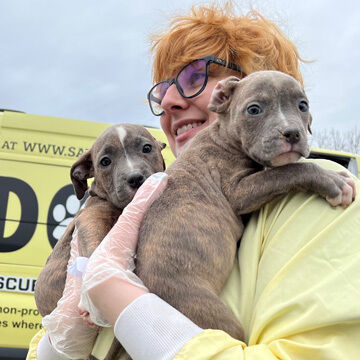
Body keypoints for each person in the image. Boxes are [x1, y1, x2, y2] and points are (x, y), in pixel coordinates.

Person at [28, 3, 360, 360]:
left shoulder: (325, 201)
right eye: (163, 91)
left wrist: (121, 299)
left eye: (194, 77)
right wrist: (60, 344)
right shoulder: (146, 209)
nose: (170, 101)